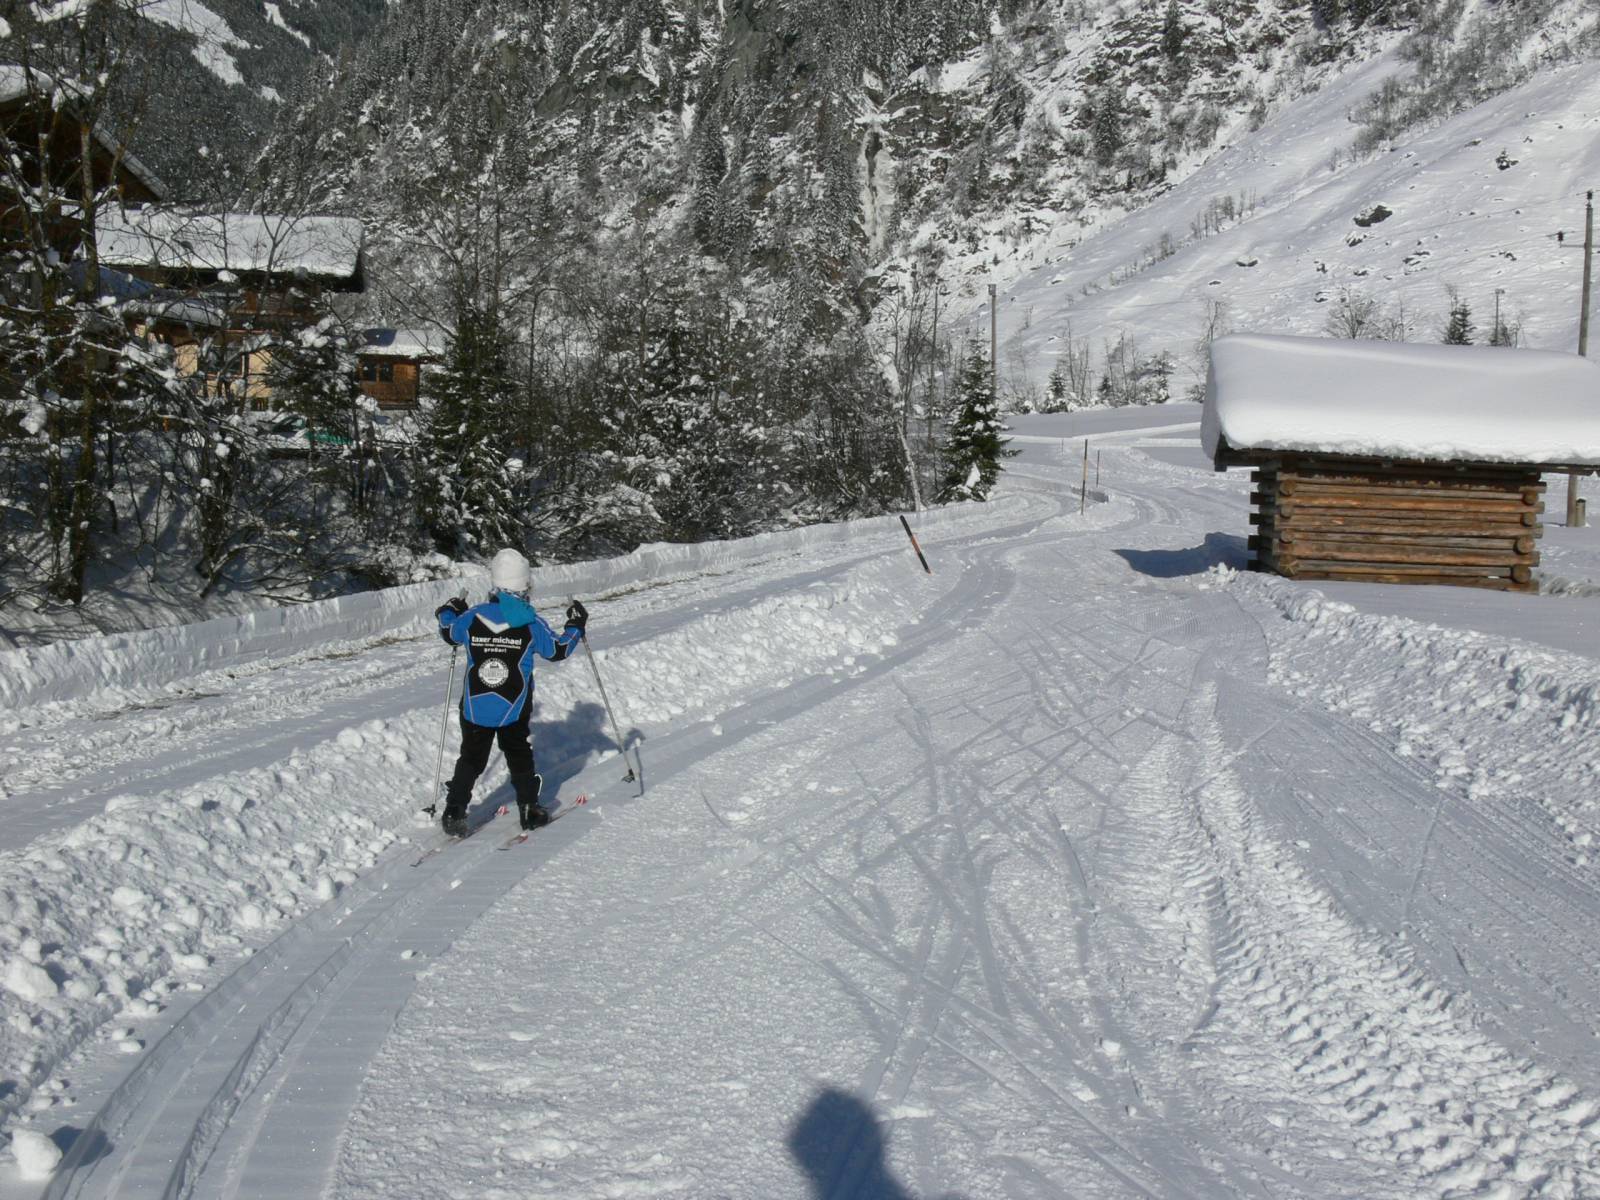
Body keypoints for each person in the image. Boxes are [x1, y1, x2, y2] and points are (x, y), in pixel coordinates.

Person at [433, 548, 588, 836]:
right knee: (518, 753)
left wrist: (448, 609)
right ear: (525, 586)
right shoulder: (529, 623)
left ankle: (454, 811)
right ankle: (529, 809)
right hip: (514, 705)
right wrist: (576, 624)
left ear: (494, 583)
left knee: (471, 757)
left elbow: (448, 631)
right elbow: (558, 649)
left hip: (475, 704)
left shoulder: (472, 616)